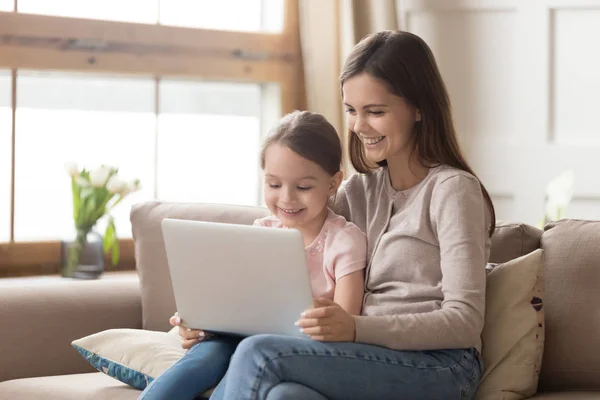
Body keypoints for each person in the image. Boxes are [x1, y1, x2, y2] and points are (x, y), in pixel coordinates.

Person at [176, 29, 496, 400]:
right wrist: (211, 322)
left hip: (441, 366)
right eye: (351, 110)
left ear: (419, 107)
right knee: (284, 396)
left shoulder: (453, 191)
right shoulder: (357, 193)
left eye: (375, 111)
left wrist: (356, 328)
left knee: (258, 354)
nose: (359, 126)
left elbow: (464, 321)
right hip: (362, 357)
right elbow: (282, 270)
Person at [138, 110, 368, 400]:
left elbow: (347, 323)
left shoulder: (344, 241)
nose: (286, 198)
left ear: (333, 184)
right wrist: (200, 320)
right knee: (202, 359)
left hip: (289, 351)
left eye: (303, 187)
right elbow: (234, 299)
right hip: (237, 337)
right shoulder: (262, 231)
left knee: (240, 367)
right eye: (274, 184)